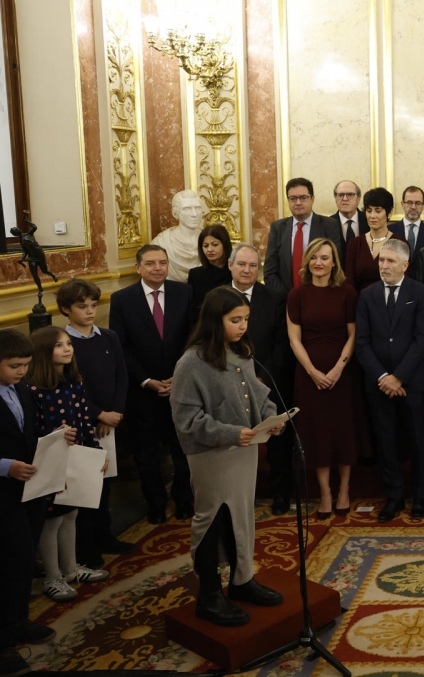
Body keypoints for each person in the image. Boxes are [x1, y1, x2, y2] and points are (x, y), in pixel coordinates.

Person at [171, 288, 287, 626]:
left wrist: (270, 417)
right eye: (235, 320)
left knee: (242, 516)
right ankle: (209, 595)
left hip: (244, 451)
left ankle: (242, 580)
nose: (242, 326)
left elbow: (259, 393)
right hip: (212, 455)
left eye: (246, 319)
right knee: (213, 519)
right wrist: (231, 433)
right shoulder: (191, 363)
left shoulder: (241, 353)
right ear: (213, 320)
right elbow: (187, 421)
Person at [109, 244, 195, 523]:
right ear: (138, 268)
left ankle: (183, 501)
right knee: (145, 454)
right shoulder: (122, 299)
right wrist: (146, 381)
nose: (157, 268)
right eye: (150, 263)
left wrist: (178, 377)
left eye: (162, 262)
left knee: (183, 451)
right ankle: (155, 505)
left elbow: (192, 338)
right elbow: (120, 346)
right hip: (142, 392)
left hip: (179, 388)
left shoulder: (184, 293)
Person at [27, 327, 110, 601]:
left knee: (71, 514)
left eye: (68, 344)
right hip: (49, 462)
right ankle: (53, 577)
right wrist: (55, 433)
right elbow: (31, 431)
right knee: (51, 520)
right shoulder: (34, 390)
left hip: (77, 457)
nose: (67, 349)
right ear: (42, 352)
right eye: (58, 345)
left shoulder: (73, 382)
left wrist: (96, 453)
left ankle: (71, 569)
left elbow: (85, 421)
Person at [55, 280, 133, 565]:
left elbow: (121, 376)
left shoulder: (109, 337)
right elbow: (68, 387)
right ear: (66, 309)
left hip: (109, 421)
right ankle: (86, 549)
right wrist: (98, 414)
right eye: (81, 306)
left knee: (105, 484)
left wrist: (115, 413)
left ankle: (106, 536)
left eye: (92, 305)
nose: (89, 312)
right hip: (85, 422)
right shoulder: (64, 343)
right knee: (86, 486)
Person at [355, 239, 424, 521]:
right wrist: (383, 377)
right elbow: (361, 343)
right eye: (381, 261)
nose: (384, 266)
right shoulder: (367, 294)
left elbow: (422, 339)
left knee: (415, 440)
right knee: (386, 442)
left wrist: (398, 377)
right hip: (378, 384)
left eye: (390, 261)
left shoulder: (421, 293)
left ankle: (420, 497)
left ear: (405, 265)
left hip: (410, 383)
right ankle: (394, 497)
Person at [286, 237, 363, 519]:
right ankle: (325, 494)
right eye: (314, 257)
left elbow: (353, 335)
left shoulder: (347, 293)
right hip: (309, 376)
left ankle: (343, 489)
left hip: (342, 374)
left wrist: (338, 369)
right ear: (308, 261)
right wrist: (313, 372)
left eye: (325, 257)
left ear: (334, 263)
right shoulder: (297, 294)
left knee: (342, 431)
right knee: (317, 434)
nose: (319, 262)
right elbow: (294, 339)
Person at [0, 330, 55, 676]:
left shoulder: (21, 389)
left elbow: (27, 432)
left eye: (26, 365)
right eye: (14, 366)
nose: (22, 372)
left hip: (29, 488)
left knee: (24, 558)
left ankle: (19, 620)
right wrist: (5, 467)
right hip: (3, 491)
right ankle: (2, 643)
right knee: (9, 561)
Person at [229, 243, 293, 515]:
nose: (247, 270)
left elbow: (282, 343)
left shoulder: (276, 297)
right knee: (236, 441)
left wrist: (261, 377)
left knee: (277, 441)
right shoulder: (216, 298)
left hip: (268, 380)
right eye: (241, 264)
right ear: (230, 266)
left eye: (253, 265)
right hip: (228, 382)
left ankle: (280, 494)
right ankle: (237, 495)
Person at [265, 177, 342, 293]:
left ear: (312, 199)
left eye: (303, 198)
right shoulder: (278, 228)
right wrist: (289, 298)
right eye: (293, 198)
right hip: (284, 300)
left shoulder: (329, 225)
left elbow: (336, 264)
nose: (298, 202)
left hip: (320, 296)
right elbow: (270, 271)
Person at [343, 187, 395, 293]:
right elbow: (349, 282)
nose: (372, 216)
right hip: (360, 303)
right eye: (369, 211)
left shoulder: (399, 243)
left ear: (390, 212)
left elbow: (403, 282)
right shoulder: (355, 243)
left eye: (378, 211)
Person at [150, 190, 208, 282]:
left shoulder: (209, 239)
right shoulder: (161, 242)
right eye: (187, 209)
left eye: (197, 208)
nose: (194, 214)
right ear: (175, 213)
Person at [186, 224, 233, 307]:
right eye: (205, 246)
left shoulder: (234, 272)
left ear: (225, 245)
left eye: (215, 245)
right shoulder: (195, 274)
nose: (210, 250)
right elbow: (191, 308)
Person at [387, 185, 424, 253]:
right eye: (409, 202)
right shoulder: (389, 231)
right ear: (402, 204)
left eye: (418, 203)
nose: (413, 207)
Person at [332, 180, 367, 248]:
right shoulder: (327, 224)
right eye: (341, 195)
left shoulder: (369, 220)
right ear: (335, 199)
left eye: (350, 194)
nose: (345, 199)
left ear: (358, 199)